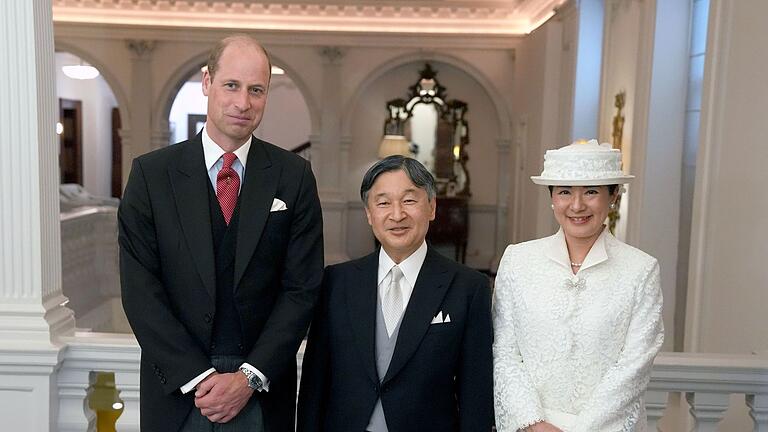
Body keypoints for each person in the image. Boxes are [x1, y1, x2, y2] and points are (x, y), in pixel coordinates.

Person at [118, 34, 324, 432]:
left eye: (256, 90)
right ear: (207, 83)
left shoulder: (294, 177)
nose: (243, 103)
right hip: (178, 392)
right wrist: (200, 378)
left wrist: (248, 378)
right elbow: (140, 290)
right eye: (231, 85)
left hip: (262, 392)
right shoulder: (151, 175)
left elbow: (302, 289)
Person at [297, 155, 494, 432]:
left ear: (432, 207)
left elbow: (476, 392)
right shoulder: (336, 282)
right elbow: (314, 383)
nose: (397, 214)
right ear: (369, 213)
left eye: (409, 200)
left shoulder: (468, 287)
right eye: (383, 202)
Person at [493, 139, 664, 432]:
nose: (576, 205)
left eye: (591, 192)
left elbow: (634, 365)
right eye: (564, 192)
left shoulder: (641, 269)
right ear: (552, 198)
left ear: (614, 196)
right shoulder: (518, 261)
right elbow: (505, 353)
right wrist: (533, 423)